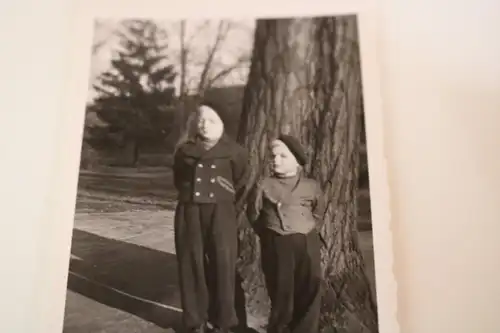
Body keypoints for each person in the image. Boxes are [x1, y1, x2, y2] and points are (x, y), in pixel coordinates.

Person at [172, 100, 250, 333]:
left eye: (212, 120)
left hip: (222, 211)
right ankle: (194, 322)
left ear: (223, 123)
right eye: (201, 120)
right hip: (190, 211)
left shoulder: (236, 152)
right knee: (191, 264)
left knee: (223, 265)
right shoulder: (184, 150)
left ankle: (224, 322)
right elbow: (179, 181)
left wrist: (226, 206)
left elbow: (242, 183)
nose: (206, 125)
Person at [246, 134, 325, 333]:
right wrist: (270, 233)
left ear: (297, 162)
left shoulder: (311, 186)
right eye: (273, 156)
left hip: (307, 242)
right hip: (277, 244)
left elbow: (318, 211)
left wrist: (306, 228)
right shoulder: (264, 185)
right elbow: (254, 214)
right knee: (282, 292)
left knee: (311, 286)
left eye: (283, 156)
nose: (276, 160)